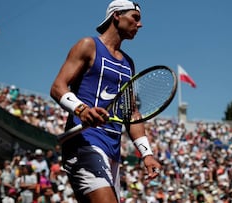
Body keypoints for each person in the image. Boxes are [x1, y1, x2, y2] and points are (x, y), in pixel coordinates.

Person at [50, 0, 161, 202]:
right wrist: (82, 111)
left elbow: (132, 114)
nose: (140, 24)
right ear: (117, 15)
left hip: (113, 151)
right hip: (85, 143)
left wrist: (147, 154)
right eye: (135, 18)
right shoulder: (88, 45)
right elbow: (58, 87)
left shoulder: (128, 64)